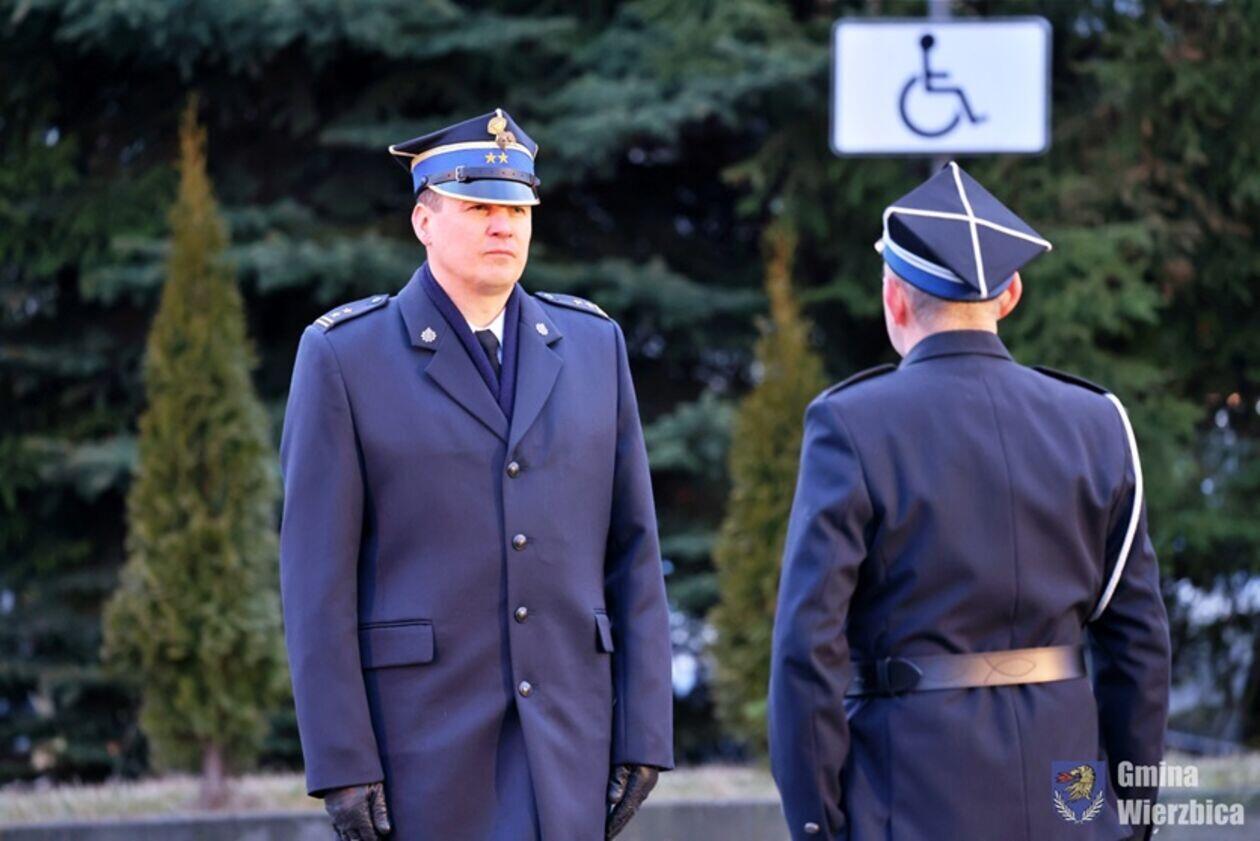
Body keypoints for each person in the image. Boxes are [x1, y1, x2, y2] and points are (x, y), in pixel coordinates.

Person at [278, 108, 674, 841]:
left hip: (570, 744)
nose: (503, 226)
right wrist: (341, 760)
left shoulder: (593, 345)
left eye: (517, 209)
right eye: (478, 207)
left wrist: (645, 733)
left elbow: (634, 553)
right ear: (423, 221)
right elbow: (315, 582)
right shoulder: (345, 356)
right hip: (420, 749)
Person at [768, 162, 1171, 841]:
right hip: (1070, 805)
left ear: (894, 299)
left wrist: (818, 825)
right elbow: (1139, 644)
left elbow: (808, 649)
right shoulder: (1098, 423)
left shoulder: (852, 424)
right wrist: (1130, 816)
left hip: (909, 800)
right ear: (1010, 294)